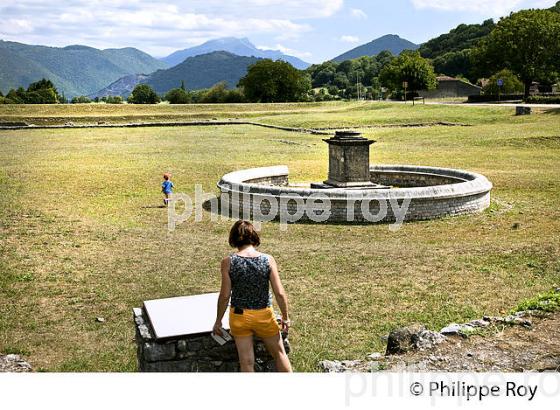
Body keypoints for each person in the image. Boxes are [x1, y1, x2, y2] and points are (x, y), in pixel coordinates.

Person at [213, 220, 292, 372]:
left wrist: (218, 321)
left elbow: (224, 296)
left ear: (233, 238)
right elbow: (280, 293)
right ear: (254, 236)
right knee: (279, 354)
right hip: (264, 315)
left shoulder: (228, 262)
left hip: (239, 316)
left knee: (246, 362)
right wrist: (285, 316)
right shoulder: (268, 260)